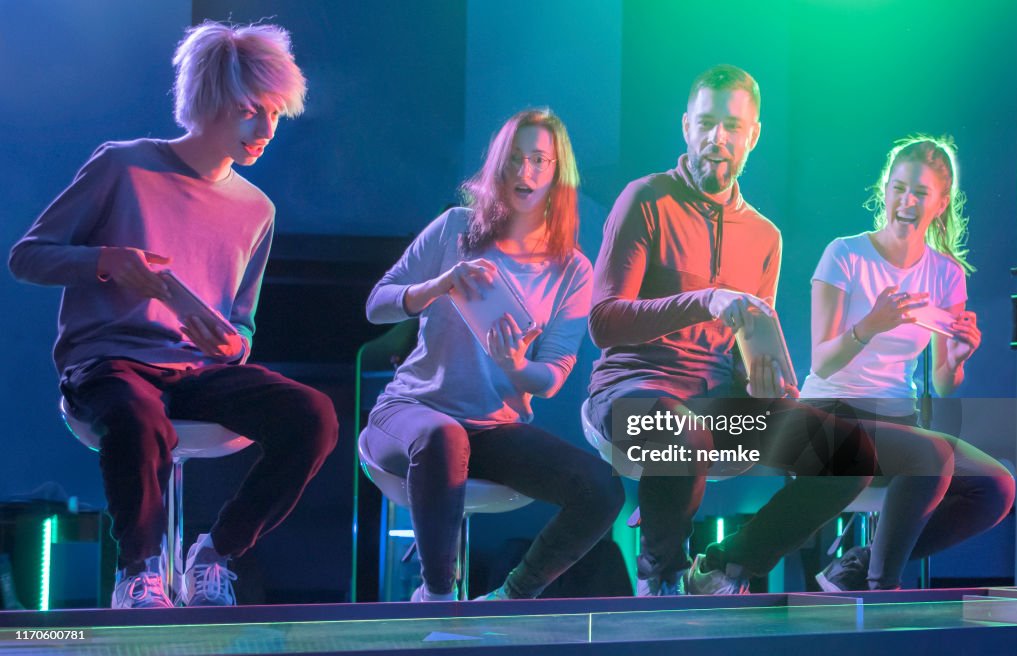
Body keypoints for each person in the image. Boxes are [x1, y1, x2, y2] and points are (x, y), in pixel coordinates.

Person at [9, 22, 339, 609]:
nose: (265, 130)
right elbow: (27, 258)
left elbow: (243, 325)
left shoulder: (256, 208)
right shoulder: (123, 167)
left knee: (312, 414)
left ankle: (216, 554)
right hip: (110, 362)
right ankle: (139, 571)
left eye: (275, 116)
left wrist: (229, 345)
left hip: (195, 372)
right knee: (137, 416)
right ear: (210, 102)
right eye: (249, 111)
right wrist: (110, 262)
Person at [586, 64, 884, 596]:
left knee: (849, 453)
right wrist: (706, 300)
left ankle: (723, 567)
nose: (715, 139)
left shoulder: (765, 235)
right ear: (685, 126)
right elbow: (604, 323)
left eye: (730, 126)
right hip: (628, 397)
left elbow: (746, 346)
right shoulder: (645, 199)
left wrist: (764, 382)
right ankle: (661, 578)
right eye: (705, 124)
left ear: (753, 135)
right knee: (683, 433)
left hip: (714, 404)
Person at [362, 108, 624, 602]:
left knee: (601, 489)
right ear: (498, 166)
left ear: (556, 173)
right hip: (413, 414)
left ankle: (510, 599)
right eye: (515, 159)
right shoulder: (454, 228)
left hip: (494, 428)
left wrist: (514, 366)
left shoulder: (573, 268)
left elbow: (550, 377)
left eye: (539, 161)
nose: (525, 173)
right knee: (443, 436)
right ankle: (437, 597)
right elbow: (377, 304)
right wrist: (437, 286)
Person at [802, 135, 1014, 591]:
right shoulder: (846, 254)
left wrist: (956, 360)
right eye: (898, 188)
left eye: (920, 192)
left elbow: (943, 383)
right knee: (930, 455)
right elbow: (821, 363)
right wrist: (870, 325)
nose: (906, 200)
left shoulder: (946, 274)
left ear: (940, 203)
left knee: (997, 487)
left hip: (896, 423)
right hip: (829, 417)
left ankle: (857, 563)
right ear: (885, 190)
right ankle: (883, 588)